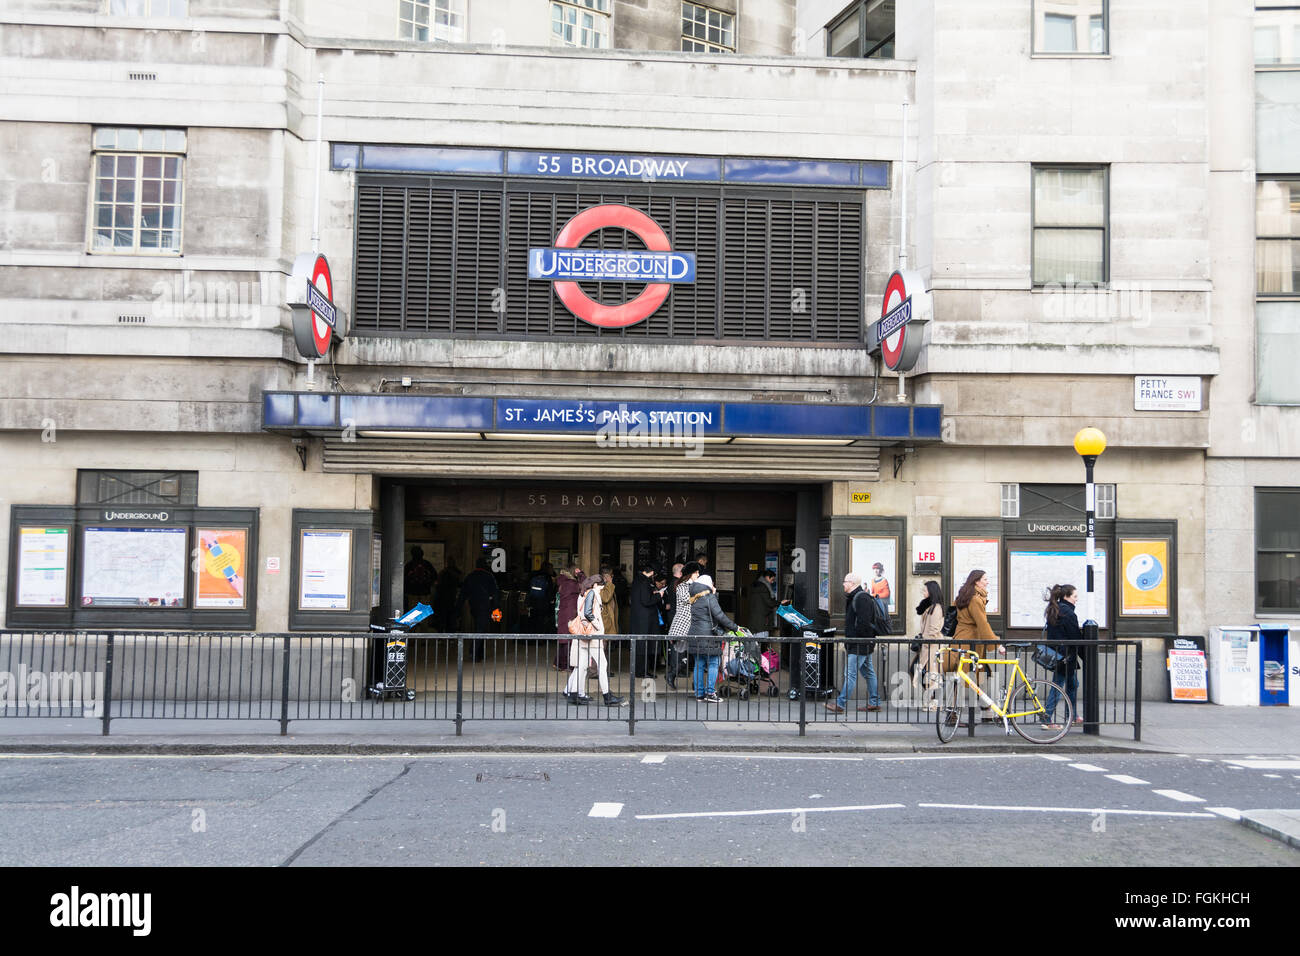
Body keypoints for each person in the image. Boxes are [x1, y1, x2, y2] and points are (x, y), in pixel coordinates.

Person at [564, 574, 624, 707]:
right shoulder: (593, 593)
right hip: (593, 636)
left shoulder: (583, 593)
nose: (602, 589)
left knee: (582, 665)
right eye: (602, 586)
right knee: (602, 665)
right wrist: (597, 625)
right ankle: (607, 696)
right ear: (596, 585)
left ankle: (574, 694)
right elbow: (588, 613)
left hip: (584, 636)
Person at [827, 571, 880, 714]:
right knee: (869, 672)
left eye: (845, 582)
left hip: (859, 644)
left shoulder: (861, 598)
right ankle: (874, 702)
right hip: (861, 643)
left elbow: (864, 623)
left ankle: (840, 704)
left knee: (849, 674)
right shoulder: (855, 597)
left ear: (852, 583)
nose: (843, 584)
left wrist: (856, 639)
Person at [952, 568, 1000, 721]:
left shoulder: (968, 596)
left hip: (964, 639)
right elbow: (982, 623)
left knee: (980, 675)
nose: (987, 582)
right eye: (985, 579)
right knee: (964, 677)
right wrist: (997, 644)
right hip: (970, 642)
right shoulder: (975, 599)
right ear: (977, 581)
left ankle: (986, 711)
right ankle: (952, 713)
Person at [687, 573, 739, 704]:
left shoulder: (695, 598)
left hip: (695, 635)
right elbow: (719, 615)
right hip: (709, 636)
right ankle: (710, 693)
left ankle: (699, 694)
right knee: (713, 663)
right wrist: (735, 628)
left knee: (699, 664)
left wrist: (713, 594)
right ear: (708, 585)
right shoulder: (709, 598)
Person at [1043, 584, 1084, 729]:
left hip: (1058, 655)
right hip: (1066, 657)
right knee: (1057, 686)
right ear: (1067, 597)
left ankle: (1072, 716)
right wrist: (1086, 656)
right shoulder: (1069, 613)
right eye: (1075, 596)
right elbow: (1075, 638)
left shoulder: (1055, 609)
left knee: (1072, 684)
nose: (1076, 600)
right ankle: (1047, 718)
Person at [455, 557, 500, 662]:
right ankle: (474, 653)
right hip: (485, 606)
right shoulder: (489, 577)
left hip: (474, 607)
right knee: (481, 629)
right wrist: (496, 608)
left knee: (480, 628)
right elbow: (495, 593)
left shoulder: (470, 577)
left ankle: (479, 653)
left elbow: (462, 594)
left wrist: (457, 609)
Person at [665, 561, 699, 690]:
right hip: (682, 624)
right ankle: (671, 674)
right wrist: (700, 594)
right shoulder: (681, 586)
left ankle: (696, 683)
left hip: (694, 624)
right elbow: (686, 600)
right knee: (682, 654)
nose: (698, 574)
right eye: (696, 572)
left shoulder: (694, 585)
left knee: (694, 654)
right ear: (690, 574)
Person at [912, 580, 945, 710]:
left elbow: (934, 630)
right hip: (927, 645)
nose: (923, 593)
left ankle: (934, 702)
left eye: (925, 590)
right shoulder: (930, 607)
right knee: (927, 673)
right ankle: (932, 701)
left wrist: (926, 640)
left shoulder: (936, 608)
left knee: (932, 674)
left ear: (931, 592)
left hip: (932, 646)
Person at [629, 564, 660, 678]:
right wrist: (658, 596)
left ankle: (639, 670)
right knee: (644, 645)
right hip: (645, 620)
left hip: (638, 618)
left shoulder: (637, 580)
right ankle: (642, 672)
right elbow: (646, 601)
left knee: (639, 645)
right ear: (651, 572)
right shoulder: (645, 582)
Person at [554, 562, 583, 669]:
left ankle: (558, 663)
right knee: (569, 641)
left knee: (563, 640)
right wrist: (581, 574)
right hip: (570, 614)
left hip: (563, 613)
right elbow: (586, 585)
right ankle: (567, 664)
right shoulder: (572, 584)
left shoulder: (562, 581)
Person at [403, 546, 437, 612]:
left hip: (413, 593)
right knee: (423, 615)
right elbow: (434, 576)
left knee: (413, 615)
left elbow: (404, 579)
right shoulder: (427, 564)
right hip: (424, 593)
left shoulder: (409, 565)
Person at [432, 557, 460, 633]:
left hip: (442, 599)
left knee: (442, 619)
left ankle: (441, 636)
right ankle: (449, 637)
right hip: (451, 599)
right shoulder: (456, 573)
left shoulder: (443, 573)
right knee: (450, 619)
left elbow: (438, 586)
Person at [526, 562, 555, 634]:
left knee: (533, 620)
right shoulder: (547, 577)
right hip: (543, 603)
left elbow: (527, 587)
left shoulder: (533, 574)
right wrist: (551, 601)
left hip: (533, 602)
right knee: (542, 621)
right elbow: (549, 591)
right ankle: (540, 639)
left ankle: (532, 637)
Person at [748, 569, 778, 633]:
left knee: (756, 637)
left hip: (755, 616)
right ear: (767, 577)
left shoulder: (755, 585)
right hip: (763, 618)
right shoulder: (764, 587)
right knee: (763, 637)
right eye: (772, 579)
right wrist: (780, 602)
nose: (772, 582)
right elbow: (769, 602)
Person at [599, 565, 620, 635]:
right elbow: (605, 598)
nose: (612, 577)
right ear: (606, 576)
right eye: (611, 575)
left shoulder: (608, 586)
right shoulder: (600, 586)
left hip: (608, 620)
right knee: (603, 642)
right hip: (604, 620)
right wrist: (609, 582)